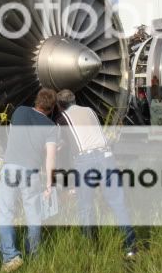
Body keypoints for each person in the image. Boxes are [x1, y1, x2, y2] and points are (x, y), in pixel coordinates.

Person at [55, 89, 137, 258]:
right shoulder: (90, 111)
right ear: (74, 100)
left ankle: (90, 250)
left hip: (85, 160)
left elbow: (61, 145)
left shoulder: (62, 119)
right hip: (106, 156)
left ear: (60, 106)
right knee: (118, 203)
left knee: (85, 207)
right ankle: (131, 247)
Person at [0, 88, 58, 273]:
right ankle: (34, 255)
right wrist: (49, 184)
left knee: (5, 213)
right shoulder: (51, 127)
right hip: (31, 173)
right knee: (34, 215)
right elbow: (51, 158)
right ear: (52, 107)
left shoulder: (20, 111)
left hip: (11, 168)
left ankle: (11, 257)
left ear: (36, 101)